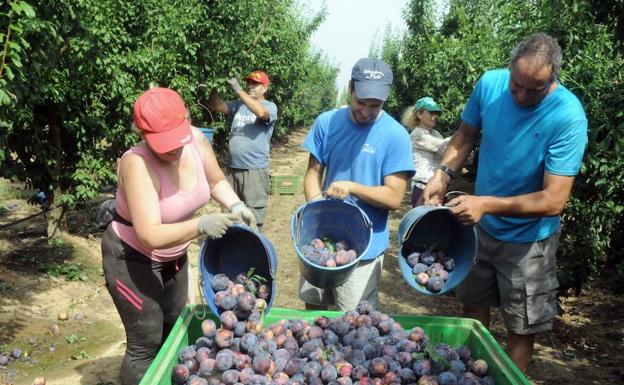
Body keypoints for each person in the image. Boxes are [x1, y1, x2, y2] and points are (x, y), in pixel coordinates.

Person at [423, 33, 588, 372]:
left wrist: (485, 204)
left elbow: (553, 200)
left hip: (529, 242)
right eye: (516, 86)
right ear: (509, 69)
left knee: (521, 327)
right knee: (473, 310)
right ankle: (469, 377)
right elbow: (466, 134)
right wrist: (443, 174)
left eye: (535, 89)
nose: (523, 96)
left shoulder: (568, 116)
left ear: (553, 78)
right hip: (479, 232)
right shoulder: (490, 85)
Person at [101, 87, 256, 385]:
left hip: (174, 254)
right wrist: (201, 225)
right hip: (131, 257)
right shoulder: (137, 163)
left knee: (174, 327)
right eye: (162, 142)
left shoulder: (196, 140)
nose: (173, 148)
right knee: (145, 339)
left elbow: (214, 180)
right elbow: (149, 234)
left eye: (177, 138)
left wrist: (235, 204)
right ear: (142, 133)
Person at [300, 58, 415, 311]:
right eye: (361, 102)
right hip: (322, 239)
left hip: (364, 250)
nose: (366, 111)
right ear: (351, 88)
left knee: (353, 324)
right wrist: (316, 209)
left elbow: (394, 197)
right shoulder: (327, 123)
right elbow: (312, 173)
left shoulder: (395, 136)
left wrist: (353, 187)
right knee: (313, 316)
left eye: (375, 105)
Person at [208, 71, 278, 231]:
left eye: (255, 83)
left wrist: (238, 90)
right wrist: (215, 86)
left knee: (254, 217)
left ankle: (253, 249)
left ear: (265, 88)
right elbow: (215, 106)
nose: (250, 86)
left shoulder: (270, 106)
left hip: (254, 171)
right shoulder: (238, 106)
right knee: (229, 213)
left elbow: (261, 113)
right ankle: (231, 249)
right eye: (249, 83)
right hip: (232, 170)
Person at [401, 96, 452, 207]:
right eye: (431, 113)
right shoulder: (417, 134)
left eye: (436, 113)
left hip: (438, 187)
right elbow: (441, 146)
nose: (435, 116)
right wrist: (462, 135)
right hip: (422, 188)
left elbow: (446, 154)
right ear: (419, 114)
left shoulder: (436, 134)